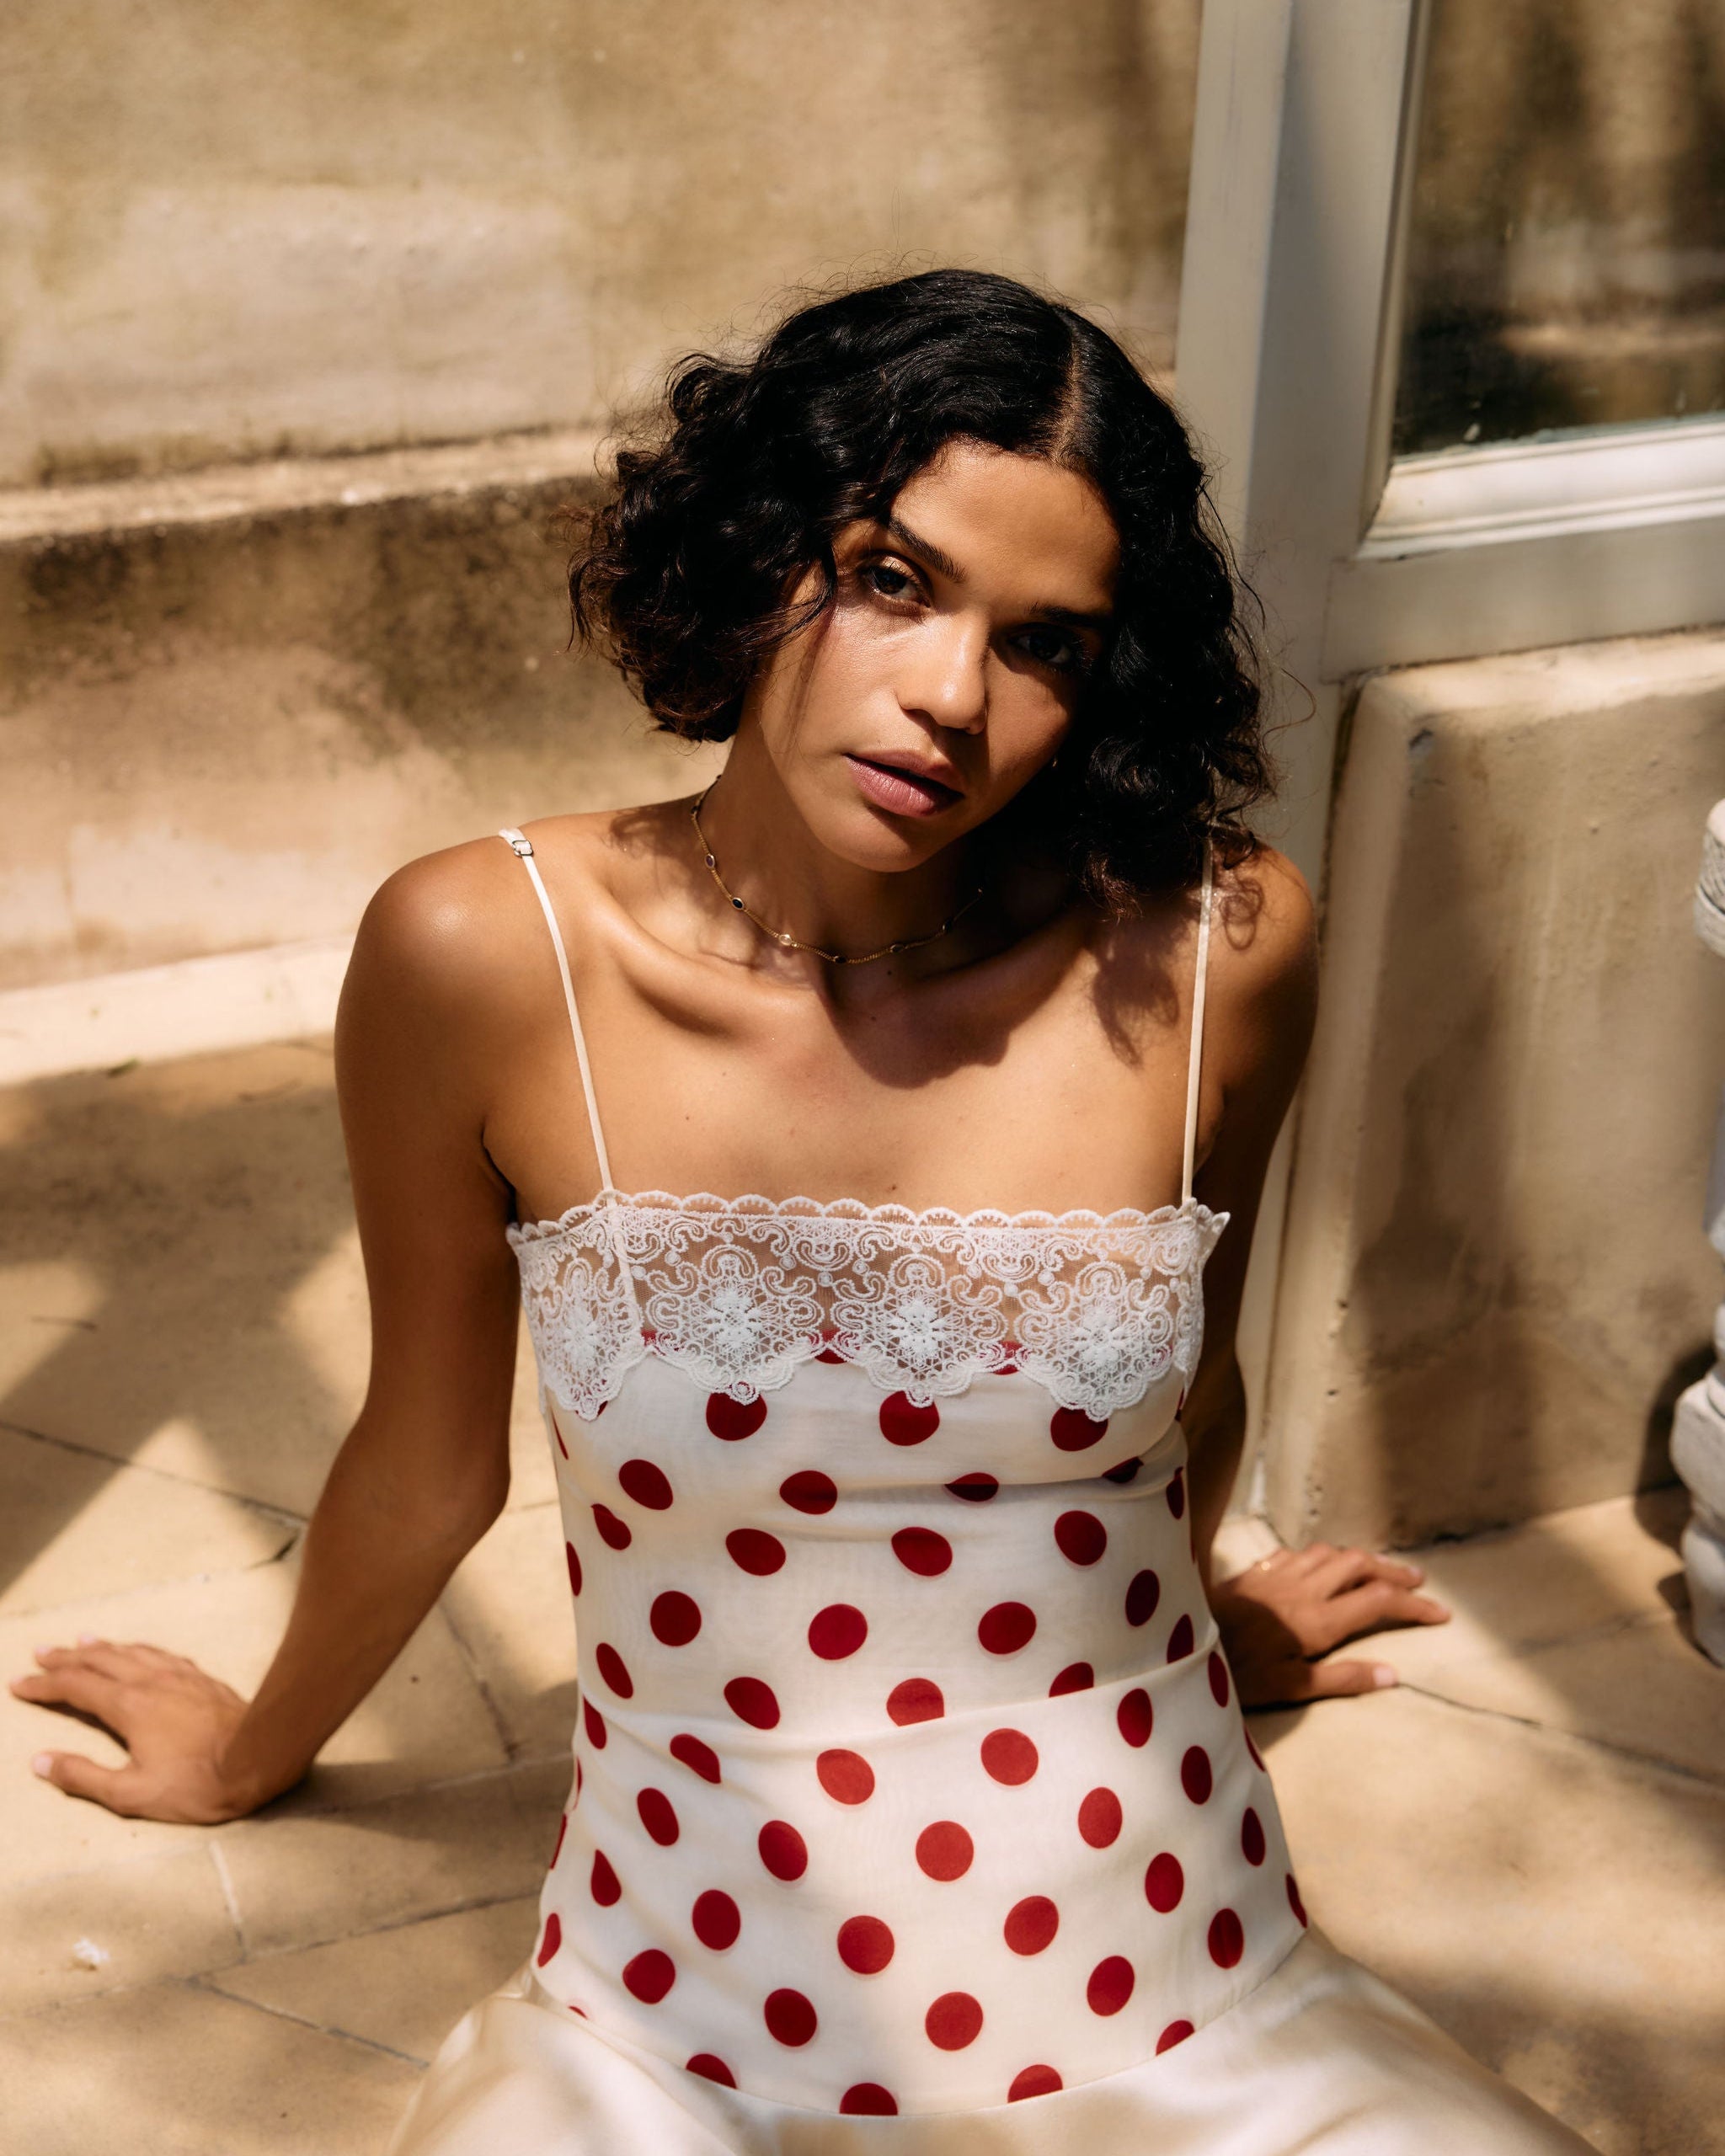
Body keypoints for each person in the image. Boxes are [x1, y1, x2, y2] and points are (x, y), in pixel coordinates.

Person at [12, 271, 1592, 2153]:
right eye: (891, 577)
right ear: (765, 553)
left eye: (1048, 646)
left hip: (1178, 1971)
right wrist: (249, 1748)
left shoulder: (1210, 949)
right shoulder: (485, 954)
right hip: (682, 2025)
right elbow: (425, 1460)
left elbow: (1190, 1398)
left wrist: (1209, 1629)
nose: (947, 697)